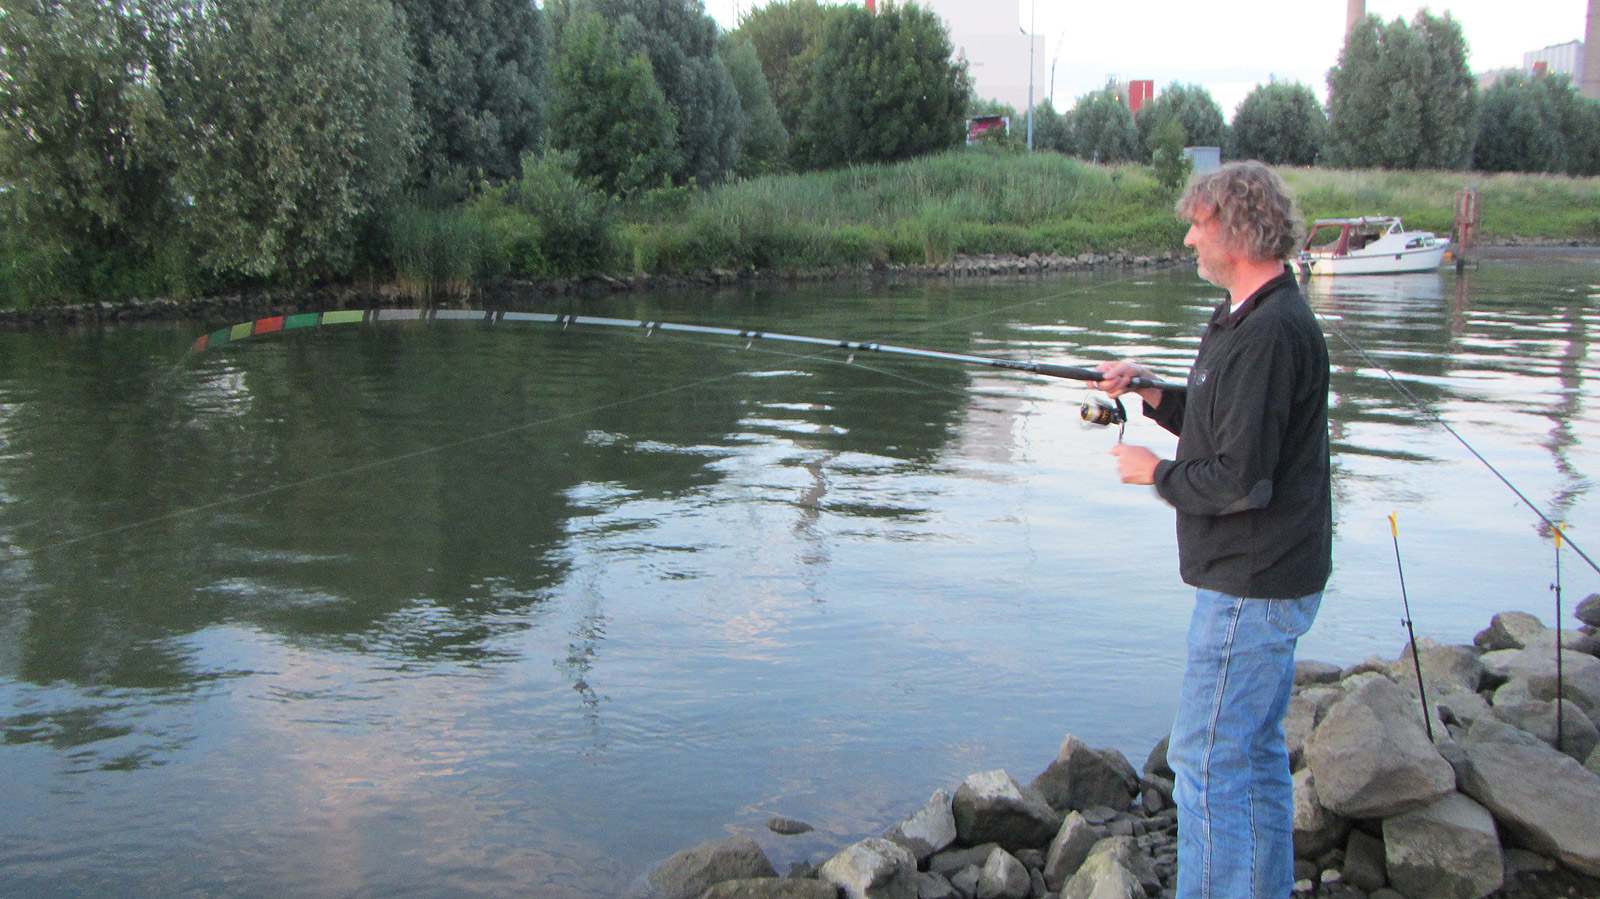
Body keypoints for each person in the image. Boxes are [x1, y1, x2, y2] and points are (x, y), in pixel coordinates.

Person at [1092, 161, 1332, 899]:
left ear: (1238, 229)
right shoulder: (1247, 317)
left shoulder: (1269, 333)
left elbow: (1238, 479)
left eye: (1198, 224)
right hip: (1267, 576)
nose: (1189, 238)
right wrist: (1154, 392)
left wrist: (1155, 474)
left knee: (1204, 761)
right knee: (1251, 754)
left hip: (1251, 585)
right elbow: (1226, 426)